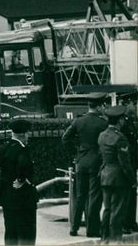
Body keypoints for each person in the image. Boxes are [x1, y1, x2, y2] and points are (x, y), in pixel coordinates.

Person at [61, 92, 108, 237]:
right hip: (96, 162)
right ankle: (92, 229)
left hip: (81, 161)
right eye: (103, 105)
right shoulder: (103, 123)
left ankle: (74, 227)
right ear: (99, 106)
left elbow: (65, 138)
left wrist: (76, 153)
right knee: (94, 196)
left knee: (80, 195)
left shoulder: (78, 121)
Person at [0, 118, 37, 245]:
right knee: (26, 233)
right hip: (23, 198)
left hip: (7, 196)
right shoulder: (22, 149)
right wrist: (22, 179)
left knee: (10, 232)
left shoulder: (5, 147)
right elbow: (23, 165)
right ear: (24, 134)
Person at [99, 105, 134, 243]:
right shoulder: (120, 138)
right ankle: (115, 240)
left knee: (107, 209)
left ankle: (104, 239)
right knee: (117, 211)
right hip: (118, 178)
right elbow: (125, 163)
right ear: (119, 121)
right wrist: (133, 180)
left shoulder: (102, 135)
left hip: (105, 176)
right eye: (123, 119)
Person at [119, 92, 138, 233]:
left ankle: (131, 221)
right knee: (125, 194)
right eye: (134, 104)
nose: (136, 107)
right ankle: (125, 222)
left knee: (132, 193)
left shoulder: (131, 120)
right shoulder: (123, 123)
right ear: (126, 104)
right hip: (125, 163)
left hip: (132, 163)